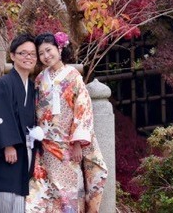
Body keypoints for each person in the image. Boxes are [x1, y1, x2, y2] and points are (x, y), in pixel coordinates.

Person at [26, 32, 108, 213]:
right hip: (46, 145)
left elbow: (82, 109)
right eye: (42, 53)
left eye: (49, 50)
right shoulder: (40, 79)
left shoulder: (73, 76)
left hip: (68, 146)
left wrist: (78, 142)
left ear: (59, 48)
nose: (46, 56)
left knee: (69, 192)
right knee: (47, 191)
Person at [0, 33, 39, 213]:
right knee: (5, 195)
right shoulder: (3, 83)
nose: (28, 57)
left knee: (20, 197)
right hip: (8, 151)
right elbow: (0, 115)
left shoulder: (31, 86)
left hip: (26, 149)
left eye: (32, 54)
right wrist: (8, 144)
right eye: (23, 53)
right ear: (12, 56)